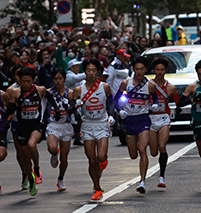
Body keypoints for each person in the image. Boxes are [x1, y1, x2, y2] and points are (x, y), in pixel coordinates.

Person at [7, 67, 60, 195]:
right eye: (23, 81)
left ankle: (36, 168)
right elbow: (8, 110)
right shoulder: (15, 93)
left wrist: (57, 110)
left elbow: (50, 97)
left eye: (29, 81)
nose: (26, 84)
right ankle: (30, 180)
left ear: (33, 80)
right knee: (25, 157)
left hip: (36, 124)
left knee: (32, 144)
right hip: (22, 126)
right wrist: (16, 104)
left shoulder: (39, 90)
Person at [71, 59, 116, 201]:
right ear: (85, 71)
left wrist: (111, 115)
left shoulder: (105, 87)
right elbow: (70, 109)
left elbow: (111, 103)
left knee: (101, 156)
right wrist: (76, 106)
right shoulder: (78, 90)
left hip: (102, 124)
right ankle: (97, 188)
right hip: (87, 126)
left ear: (98, 72)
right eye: (88, 70)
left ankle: (103, 162)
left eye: (93, 70)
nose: (91, 73)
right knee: (91, 160)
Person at [116, 56, 159, 194]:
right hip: (129, 120)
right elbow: (115, 100)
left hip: (143, 120)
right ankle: (141, 178)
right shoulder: (125, 83)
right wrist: (120, 111)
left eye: (142, 69)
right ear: (133, 69)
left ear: (146, 70)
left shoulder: (150, 85)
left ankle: (142, 181)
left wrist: (156, 106)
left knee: (142, 149)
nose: (139, 72)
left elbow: (156, 99)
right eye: (137, 69)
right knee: (133, 154)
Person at [148, 58, 179, 188]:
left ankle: (162, 177)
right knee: (154, 152)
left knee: (162, 146)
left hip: (164, 118)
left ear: (165, 71)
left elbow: (178, 102)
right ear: (154, 70)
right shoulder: (148, 85)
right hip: (150, 119)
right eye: (157, 70)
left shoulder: (171, 88)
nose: (160, 72)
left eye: (162, 70)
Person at [44, 68, 74, 191]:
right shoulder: (48, 92)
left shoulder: (70, 93)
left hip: (66, 125)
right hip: (53, 124)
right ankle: (54, 153)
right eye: (55, 79)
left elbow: (75, 106)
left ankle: (61, 178)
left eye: (60, 78)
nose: (58, 81)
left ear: (64, 79)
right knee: (51, 147)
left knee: (64, 158)